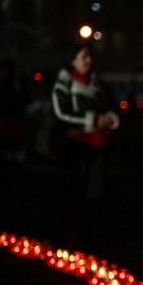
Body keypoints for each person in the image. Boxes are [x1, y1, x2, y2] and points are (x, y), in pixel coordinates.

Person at [51, 43, 121, 248]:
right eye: (83, 57)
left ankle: (94, 233)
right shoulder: (64, 84)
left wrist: (110, 119)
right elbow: (61, 113)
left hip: (98, 145)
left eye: (89, 56)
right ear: (72, 61)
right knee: (76, 192)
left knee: (96, 192)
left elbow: (112, 106)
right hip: (75, 145)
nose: (88, 60)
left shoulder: (97, 83)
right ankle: (79, 236)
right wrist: (93, 120)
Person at [0, 59, 31, 164]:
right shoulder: (8, 82)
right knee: (11, 141)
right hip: (9, 116)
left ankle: (14, 162)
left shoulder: (13, 83)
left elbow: (24, 98)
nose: (1, 72)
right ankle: (12, 161)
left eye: (3, 70)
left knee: (14, 141)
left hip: (14, 117)